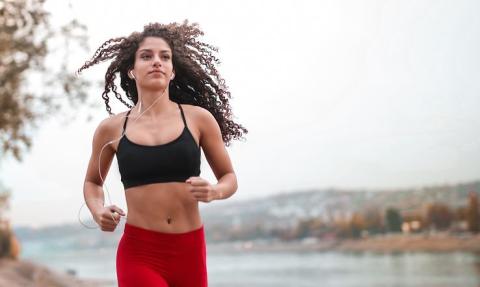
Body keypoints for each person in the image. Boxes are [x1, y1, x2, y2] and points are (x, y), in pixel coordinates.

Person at [77, 21, 247, 287]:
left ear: (172, 71)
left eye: (164, 57)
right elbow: (92, 182)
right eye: (147, 56)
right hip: (140, 252)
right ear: (131, 70)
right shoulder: (111, 129)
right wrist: (98, 210)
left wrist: (215, 191)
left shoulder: (199, 119)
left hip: (189, 251)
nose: (157, 62)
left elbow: (229, 177)